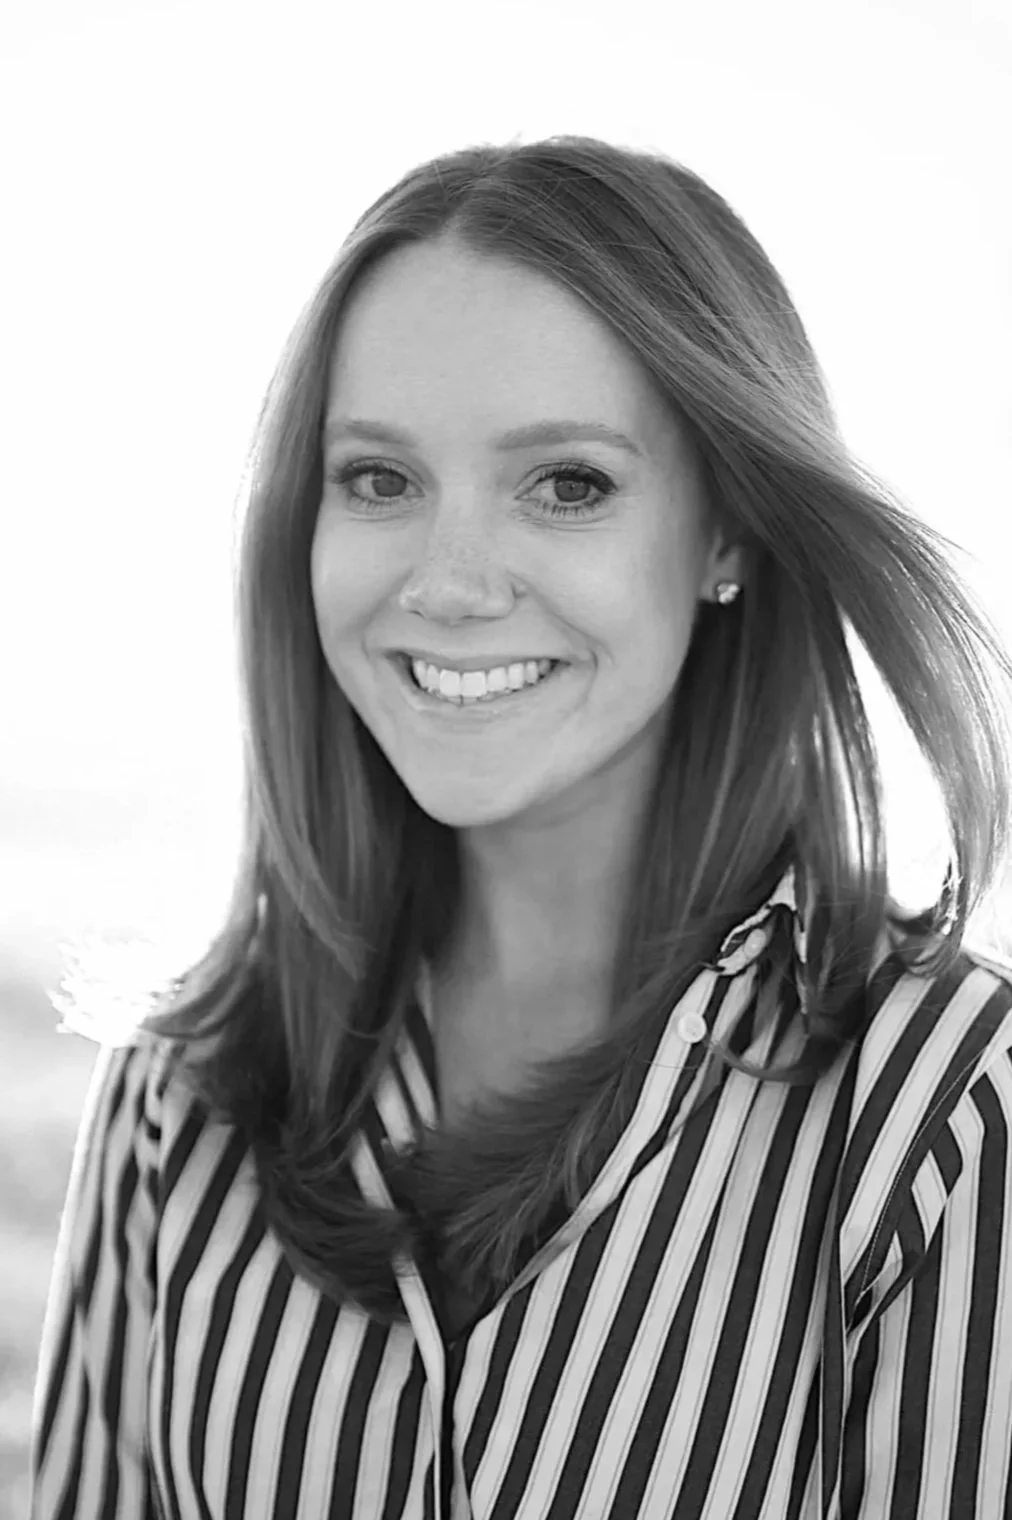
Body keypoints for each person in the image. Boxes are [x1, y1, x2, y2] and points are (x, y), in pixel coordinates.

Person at [29, 133, 1012, 1520]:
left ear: (728, 533)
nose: (450, 581)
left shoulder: (951, 1117)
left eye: (567, 485)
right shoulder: (170, 1106)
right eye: (380, 479)